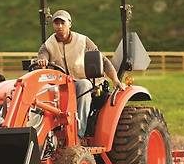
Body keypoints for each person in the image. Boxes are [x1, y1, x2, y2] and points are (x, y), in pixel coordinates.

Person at [36, 9, 126, 139]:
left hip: (84, 82)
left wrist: (116, 80)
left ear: (69, 24)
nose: (59, 26)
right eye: (56, 23)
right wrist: (42, 60)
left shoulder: (83, 41)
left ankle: (78, 133)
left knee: (83, 85)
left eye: (62, 23)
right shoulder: (48, 44)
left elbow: (103, 61)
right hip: (61, 83)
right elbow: (42, 54)